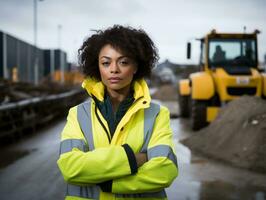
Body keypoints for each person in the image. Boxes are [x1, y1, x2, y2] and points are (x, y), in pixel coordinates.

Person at [57, 25, 178, 200]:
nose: (114, 69)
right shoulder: (77, 114)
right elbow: (70, 168)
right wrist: (135, 159)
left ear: (136, 66)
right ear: (97, 67)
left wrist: (110, 184)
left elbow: (165, 170)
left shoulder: (157, 114)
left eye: (123, 62)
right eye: (106, 63)